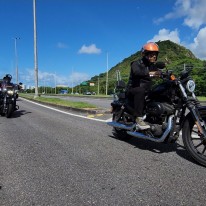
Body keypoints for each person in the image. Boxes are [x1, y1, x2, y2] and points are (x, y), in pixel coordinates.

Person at [126, 42, 161, 130]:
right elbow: (137, 72)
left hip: (147, 90)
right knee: (140, 90)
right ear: (145, 54)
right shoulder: (136, 63)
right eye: (151, 54)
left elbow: (158, 73)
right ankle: (138, 118)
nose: (153, 56)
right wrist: (151, 73)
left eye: (155, 55)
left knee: (160, 91)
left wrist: (166, 75)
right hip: (133, 89)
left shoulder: (152, 66)